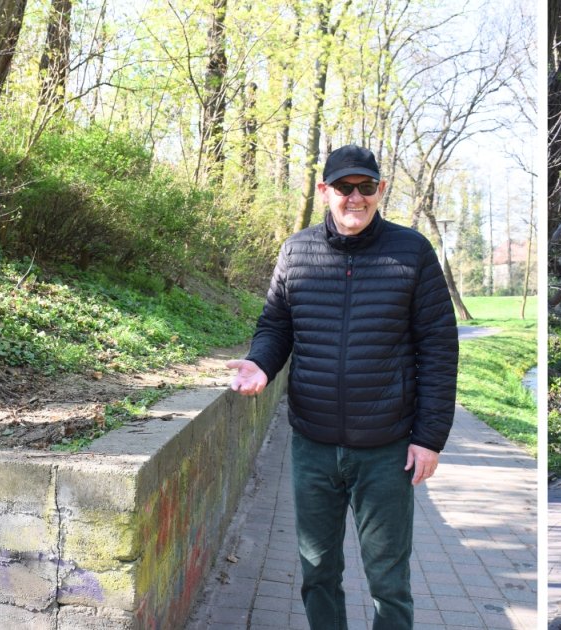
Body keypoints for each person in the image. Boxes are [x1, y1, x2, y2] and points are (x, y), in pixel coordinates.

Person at [225, 144, 458, 629]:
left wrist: (429, 437)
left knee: (389, 582)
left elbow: (438, 348)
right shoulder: (296, 251)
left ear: (381, 190)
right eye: (344, 188)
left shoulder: (412, 251)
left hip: (387, 449)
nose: (356, 198)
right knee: (317, 573)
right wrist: (260, 365)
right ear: (324, 190)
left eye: (366, 187)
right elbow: (276, 326)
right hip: (312, 444)